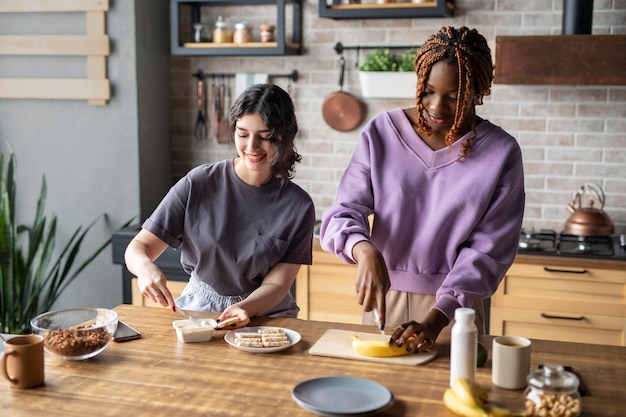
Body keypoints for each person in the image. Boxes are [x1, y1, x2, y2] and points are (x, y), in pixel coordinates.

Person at [319, 26, 525, 353]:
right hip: (385, 301)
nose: (437, 106)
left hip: (455, 314)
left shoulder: (502, 152)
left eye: (455, 96)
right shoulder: (381, 133)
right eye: (428, 91)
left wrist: (435, 320)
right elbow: (344, 212)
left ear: (479, 91)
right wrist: (364, 249)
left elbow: (488, 250)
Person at [125, 84, 316, 328]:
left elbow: (277, 284)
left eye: (264, 136)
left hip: (267, 312)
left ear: (284, 136)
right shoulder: (199, 183)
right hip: (200, 310)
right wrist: (144, 269)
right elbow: (139, 246)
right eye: (243, 134)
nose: (251, 147)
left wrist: (244, 308)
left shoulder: (298, 206)